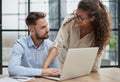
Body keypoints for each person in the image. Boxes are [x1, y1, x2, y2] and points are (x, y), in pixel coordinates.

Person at [42, 0, 111, 72]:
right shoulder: (70, 21)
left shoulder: (100, 33)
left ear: (92, 18)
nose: (77, 19)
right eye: (76, 14)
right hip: (62, 63)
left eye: (81, 18)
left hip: (82, 68)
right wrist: (44, 69)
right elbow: (57, 45)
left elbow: (95, 66)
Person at [8, 12, 61, 77]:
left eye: (47, 25)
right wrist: (41, 72)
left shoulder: (50, 45)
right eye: (43, 27)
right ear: (32, 30)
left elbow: (56, 71)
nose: (47, 30)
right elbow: (12, 69)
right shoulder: (20, 44)